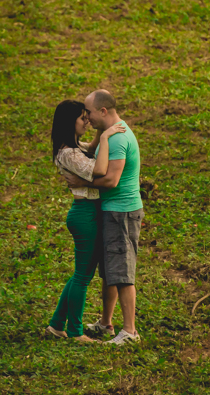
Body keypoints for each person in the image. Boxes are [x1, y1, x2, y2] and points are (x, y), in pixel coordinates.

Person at [62, 89, 143, 345]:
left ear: (103, 111)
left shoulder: (118, 139)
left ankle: (129, 332)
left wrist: (80, 180)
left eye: (89, 112)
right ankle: (106, 323)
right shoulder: (109, 135)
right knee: (109, 272)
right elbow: (86, 148)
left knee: (122, 273)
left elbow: (111, 179)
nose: (86, 117)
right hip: (110, 210)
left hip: (122, 211)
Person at [46, 100, 126, 343]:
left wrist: (102, 126)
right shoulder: (68, 154)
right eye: (82, 118)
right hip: (84, 215)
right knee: (82, 276)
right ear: (70, 121)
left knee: (80, 274)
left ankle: (57, 325)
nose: (86, 121)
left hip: (87, 213)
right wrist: (105, 138)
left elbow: (89, 149)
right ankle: (75, 332)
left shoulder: (73, 147)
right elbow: (100, 170)